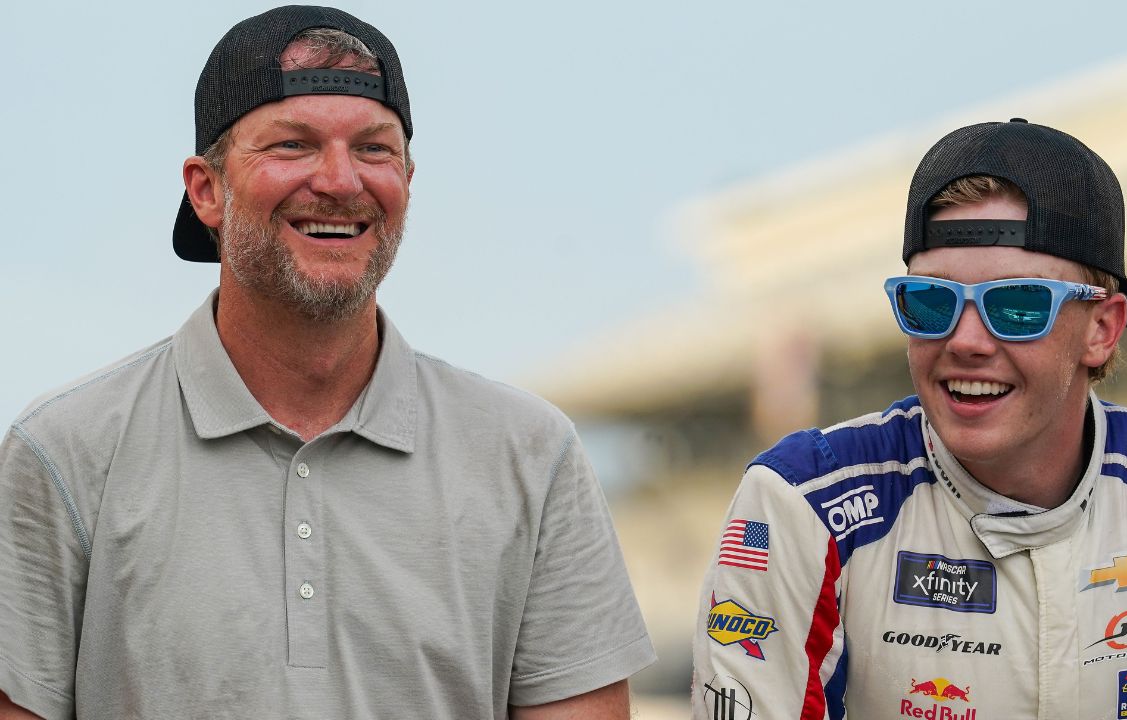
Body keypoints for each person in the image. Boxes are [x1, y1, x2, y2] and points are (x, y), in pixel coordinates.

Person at [0, 6, 654, 719]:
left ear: (408, 180)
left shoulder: (530, 454)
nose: (341, 181)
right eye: (293, 144)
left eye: (373, 149)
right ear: (206, 190)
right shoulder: (64, 454)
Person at [691, 119, 1127, 718]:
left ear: (1102, 329)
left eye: (1018, 305)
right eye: (931, 302)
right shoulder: (800, 504)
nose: (966, 341)